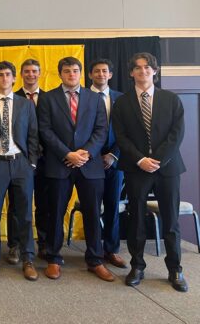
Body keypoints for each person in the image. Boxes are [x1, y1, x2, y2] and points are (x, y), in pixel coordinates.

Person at [112, 52, 188, 292]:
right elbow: (121, 136)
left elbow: (177, 134)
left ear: (154, 71)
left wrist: (157, 159)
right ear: (131, 72)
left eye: (147, 67)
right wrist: (141, 159)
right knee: (136, 220)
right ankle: (137, 266)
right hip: (137, 169)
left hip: (167, 169)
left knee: (171, 221)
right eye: (138, 68)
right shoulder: (122, 103)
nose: (143, 71)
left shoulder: (171, 99)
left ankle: (175, 269)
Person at [37, 57, 113, 282]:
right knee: (55, 213)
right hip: (59, 164)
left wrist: (85, 153)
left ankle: (95, 260)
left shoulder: (95, 98)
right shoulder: (48, 98)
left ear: (81, 73)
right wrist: (67, 154)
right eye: (67, 71)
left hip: (90, 165)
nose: (71, 74)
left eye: (75, 70)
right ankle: (53, 258)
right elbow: (45, 130)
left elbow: (101, 129)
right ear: (60, 74)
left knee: (92, 213)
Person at [0, 61, 39, 281]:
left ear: (15, 78)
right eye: (0, 75)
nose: (4, 78)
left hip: (21, 164)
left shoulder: (26, 105)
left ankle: (28, 259)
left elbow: (34, 135)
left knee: (24, 214)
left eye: (8, 75)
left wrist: (31, 163)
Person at [88, 58, 127, 269]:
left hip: (114, 161)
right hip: (90, 161)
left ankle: (111, 250)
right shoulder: (82, 97)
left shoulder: (122, 99)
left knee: (113, 206)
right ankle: (93, 250)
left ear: (110, 74)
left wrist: (113, 155)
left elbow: (127, 132)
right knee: (92, 208)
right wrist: (92, 154)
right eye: (97, 71)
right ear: (90, 75)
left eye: (105, 71)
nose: (101, 74)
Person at [9, 59, 47, 263]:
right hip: (20, 161)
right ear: (20, 75)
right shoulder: (11, 98)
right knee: (17, 205)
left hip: (47, 160)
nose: (31, 74)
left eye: (34, 71)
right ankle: (15, 245)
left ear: (40, 73)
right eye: (27, 71)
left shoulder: (51, 98)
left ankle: (43, 243)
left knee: (43, 203)